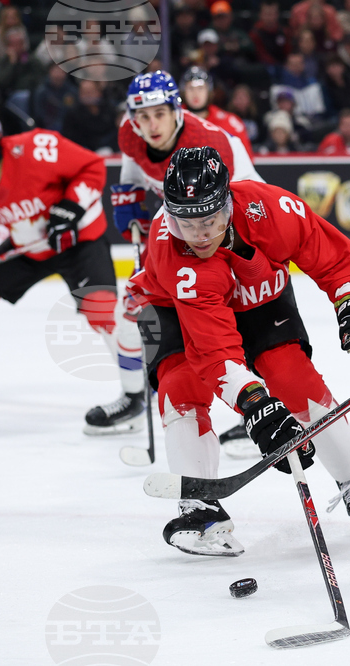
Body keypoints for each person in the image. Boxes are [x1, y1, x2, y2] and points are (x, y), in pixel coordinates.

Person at [127, 147, 350, 555]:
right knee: (180, 384)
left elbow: (328, 253)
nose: (198, 235)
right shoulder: (175, 256)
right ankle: (198, 506)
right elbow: (216, 353)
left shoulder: (270, 208)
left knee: (291, 376)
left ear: (228, 205)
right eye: (186, 222)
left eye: (210, 220)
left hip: (259, 298)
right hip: (174, 307)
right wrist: (256, 406)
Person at [81, 71, 263, 436]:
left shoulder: (212, 142)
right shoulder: (129, 132)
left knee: (240, 324)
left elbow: (248, 201)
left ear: (177, 111)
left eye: (159, 114)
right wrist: (129, 196)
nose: (151, 125)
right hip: (176, 237)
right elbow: (134, 167)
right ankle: (134, 399)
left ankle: (258, 409)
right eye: (143, 116)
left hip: (228, 235)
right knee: (132, 313)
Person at [0, 99, 117, 404]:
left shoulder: (35, 148)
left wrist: (70, 207)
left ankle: (142, 378)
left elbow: (92, 166)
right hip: (29, 249)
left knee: (103, 310)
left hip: (78, 241)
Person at [179, 66, 255, 158]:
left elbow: (245, 160)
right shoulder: (173, 119)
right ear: (183, 92)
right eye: (190, 88)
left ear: (209, 91)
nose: (195, 94)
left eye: (200, 88)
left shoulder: (229, 122)